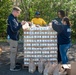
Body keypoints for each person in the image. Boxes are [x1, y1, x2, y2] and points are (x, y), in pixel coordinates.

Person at [7, 7, 25, 71]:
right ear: (15, 12)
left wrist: (20, 23)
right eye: (18, 13)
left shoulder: (14, 18)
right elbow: (14, 29)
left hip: (15, 38)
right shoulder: (11, 19)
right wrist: (21, 25)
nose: (18, 14)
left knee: (15, 52)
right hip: (12, 38)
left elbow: (16, 25)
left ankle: (14, 63)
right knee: (13, 52)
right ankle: (12, 67)